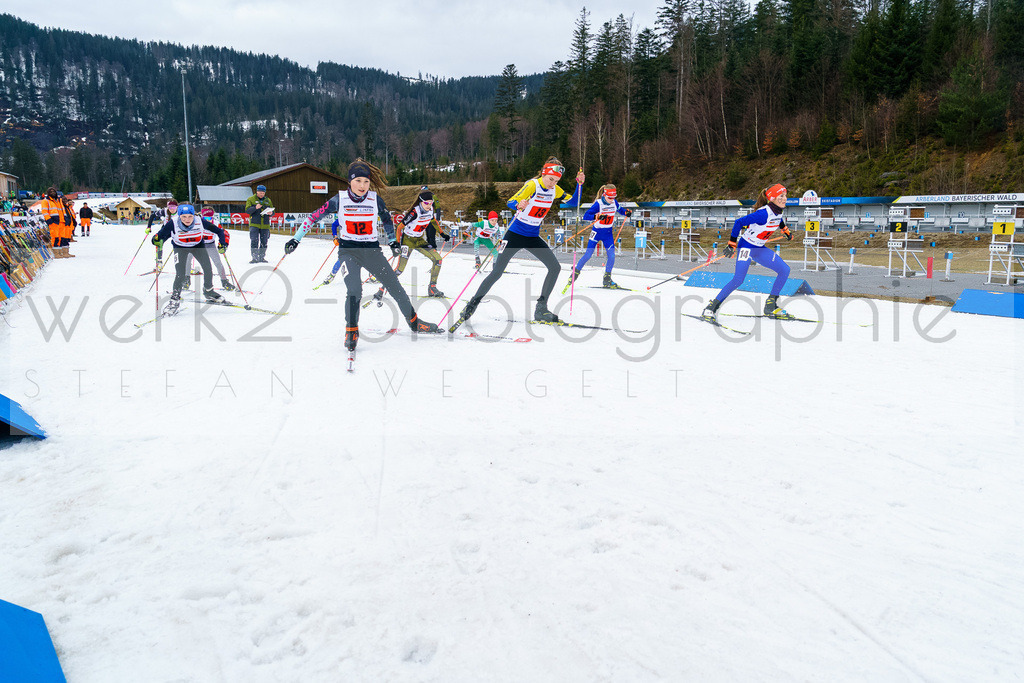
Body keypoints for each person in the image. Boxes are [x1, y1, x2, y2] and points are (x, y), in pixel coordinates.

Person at [283, 159, 440, 352]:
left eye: (366, 181)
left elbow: (387, 220)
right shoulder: (339, 199)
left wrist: (392, 241)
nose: (362, 186)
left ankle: (415, 322)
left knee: (394, 286)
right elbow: (313, 217)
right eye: (358, 181)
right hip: (348, 252)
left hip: (372, 251)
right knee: (354, 290)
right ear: (350, 181)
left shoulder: (375, 199)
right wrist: (296, 239)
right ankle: (351, 330)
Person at [453, 158, 584, 327]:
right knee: (497, 272)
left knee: (555, 267)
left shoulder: (555, 190)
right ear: (543, 174)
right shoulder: (532, 185)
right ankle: (471, 306)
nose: (553, 183)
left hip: (532, 237)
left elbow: (574, 202)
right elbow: (510, 201)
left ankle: (541, 309)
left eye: (556, 181)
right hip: (514, 235)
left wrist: (579, 185)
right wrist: (518, 204)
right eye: (551, 179)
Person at [702, 183, 794, 320]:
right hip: (746, 247)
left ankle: (771, 305)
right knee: (738, 279)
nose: (785, 198)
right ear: (772, 198)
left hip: (759, 248)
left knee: (784, 270)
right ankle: (711, 307)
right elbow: (739, 222)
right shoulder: (763, 213)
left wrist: (785, 231)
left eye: (785, 195)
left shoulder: (778, 210)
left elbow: (778, 220)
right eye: (781, 196)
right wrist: (732, 244)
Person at [371, 189, 450, 302]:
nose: (429, 205)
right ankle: (381, 290)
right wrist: (397, 243)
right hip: (407, 241)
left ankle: (432, 288)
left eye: (431, 203)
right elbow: (399, 227)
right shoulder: (414, 212)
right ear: (421, 202)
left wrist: (442, 233)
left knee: (438, 259)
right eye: (426, 203)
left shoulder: (430, 210)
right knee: (400, 269)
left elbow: (433, 221)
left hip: (419, 240)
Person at [151, 204, 228, 314]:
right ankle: (174, 299)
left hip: (197, 246)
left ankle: (208, 291)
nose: (187, 219)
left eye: (190, 216)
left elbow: (219, 231)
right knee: (180, 274)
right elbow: (161, 235)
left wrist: (223, 243)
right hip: (180, 248)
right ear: (179, 216)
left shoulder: (200, 221)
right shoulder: (173, 222)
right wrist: (156, 240)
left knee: (208, 268)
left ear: (194, 215)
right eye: (184, 217)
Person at [565, 184, 632, 289]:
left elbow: (621, 210)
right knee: (588, 254)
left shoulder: (614, 202)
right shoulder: (598, 204)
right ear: (604, 195)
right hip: (596, 232)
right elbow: (586, 216)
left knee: (612, 256)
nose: (612, 200)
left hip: (608, 234)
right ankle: (575, 274)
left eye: (613, 197)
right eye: (610, 197)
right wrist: (597, 216)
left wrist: (626, 212)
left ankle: (607, 279)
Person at [201, 208, 235, 291]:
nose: (207, 220)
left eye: (209, 218)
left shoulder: (216, 224)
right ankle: (186, 280)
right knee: (187, 259)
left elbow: (224, 234)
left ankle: (224, 281)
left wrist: (223, 244)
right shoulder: (198, 223)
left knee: (218, 263)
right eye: (205, 218)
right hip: (198, 245)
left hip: (210, 245)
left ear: (212, 217)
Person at [39, 188, 74, 258]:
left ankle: (62, 252)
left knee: (62, 238)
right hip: (54, 222)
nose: (53, 192)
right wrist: (49, 220)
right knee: (55, 238)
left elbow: (62, 210)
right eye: (51, 191)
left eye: (54, 191)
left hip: (62, 222)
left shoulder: (58, 201)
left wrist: (66, 219)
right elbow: (44, 211)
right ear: (48, 193)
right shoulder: (46, 201)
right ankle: (56, 253)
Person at [245, 184, 273, 263]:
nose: (262, 194)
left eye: (263, 193)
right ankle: (254, 258)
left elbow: (273, 211)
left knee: (264, 241)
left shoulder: (268, 200)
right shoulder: (251, 199)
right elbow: (247, 210)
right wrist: (255, 208)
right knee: (254, 240)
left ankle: (261, 257)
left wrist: (271, 213)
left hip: (265, 224)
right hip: (254, 224)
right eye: (260, 192)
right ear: (257, 192)